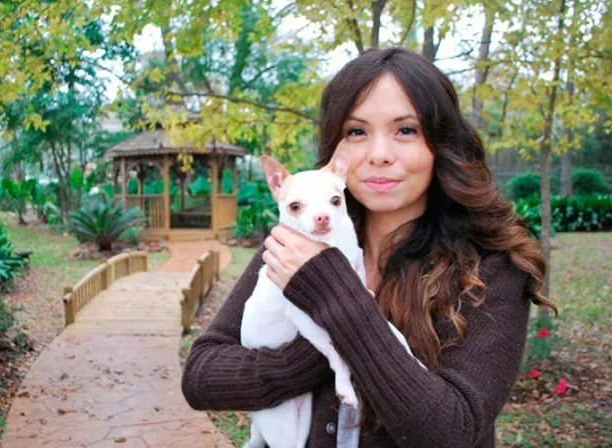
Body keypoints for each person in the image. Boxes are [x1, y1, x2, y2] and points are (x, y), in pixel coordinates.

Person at [181, 47, 556, 447]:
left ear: (440, 140)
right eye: (357, 132)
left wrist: (336, 302)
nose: (379, 155)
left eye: (406, 130)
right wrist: (321, 353)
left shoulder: (492, 265)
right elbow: (202, 376)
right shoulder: (301, 237)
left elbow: (452, 432)